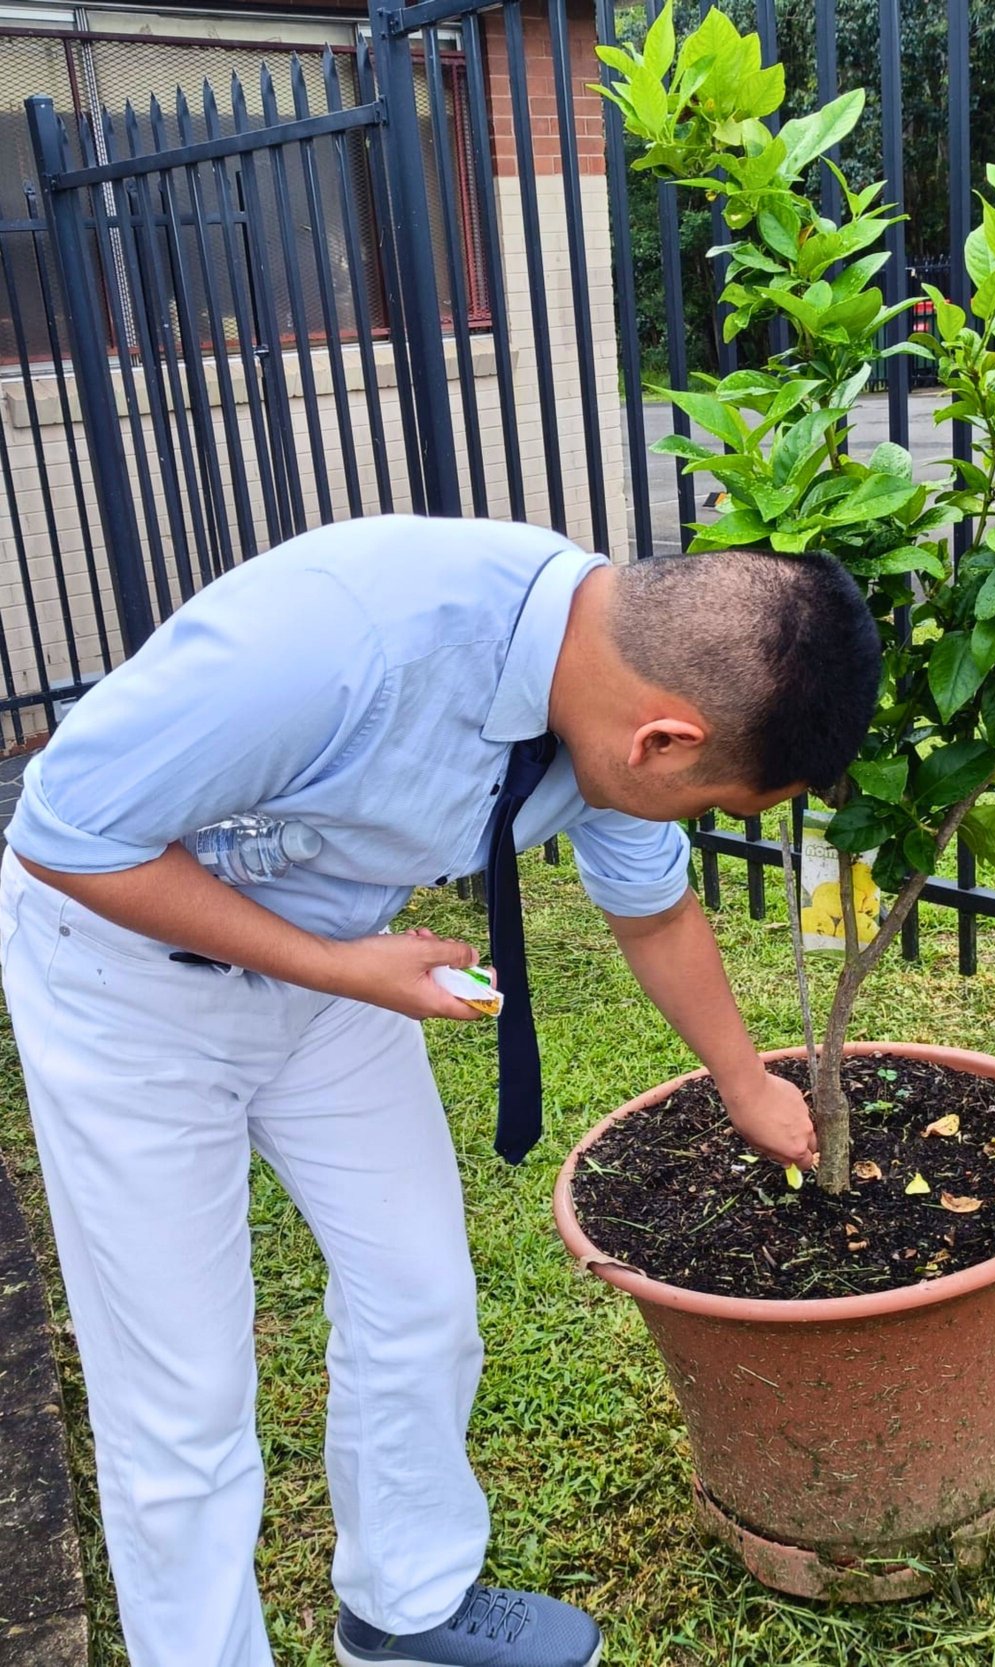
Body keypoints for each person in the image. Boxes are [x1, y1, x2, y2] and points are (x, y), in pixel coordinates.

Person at [0, 518, 881, 1667]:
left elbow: (654, 910)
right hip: (130, 987)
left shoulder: (606, 686)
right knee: (183, 1396)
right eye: (712, 803)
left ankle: (402, 1605)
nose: (695, 822)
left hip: (336, 975)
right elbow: (66, 835)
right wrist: (336, 967)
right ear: (664, 739)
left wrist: (742, 1081)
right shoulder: (337, 638)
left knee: (418, 1299)